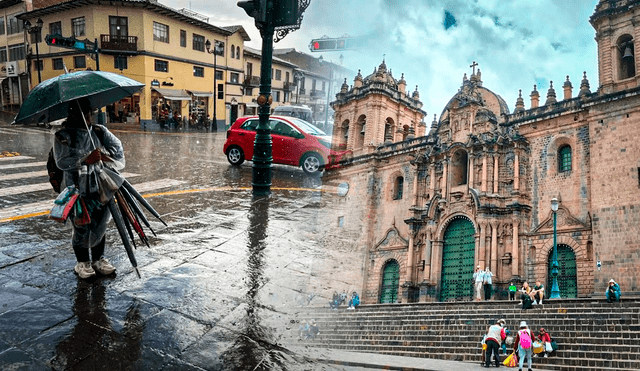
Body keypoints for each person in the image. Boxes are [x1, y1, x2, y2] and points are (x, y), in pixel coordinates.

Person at [53, 97, 125, 280]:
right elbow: (61, 161)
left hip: (99, 185)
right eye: (81, 114)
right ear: (72, 115)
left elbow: (117, 149)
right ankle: (82, 262)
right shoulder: (63, 135)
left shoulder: (100, 132)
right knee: (81, 223)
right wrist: (84, 159)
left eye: (88, 113)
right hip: (75, 186)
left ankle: (98, 259)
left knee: (100, 222)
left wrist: (105, 156)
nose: (86, 117)